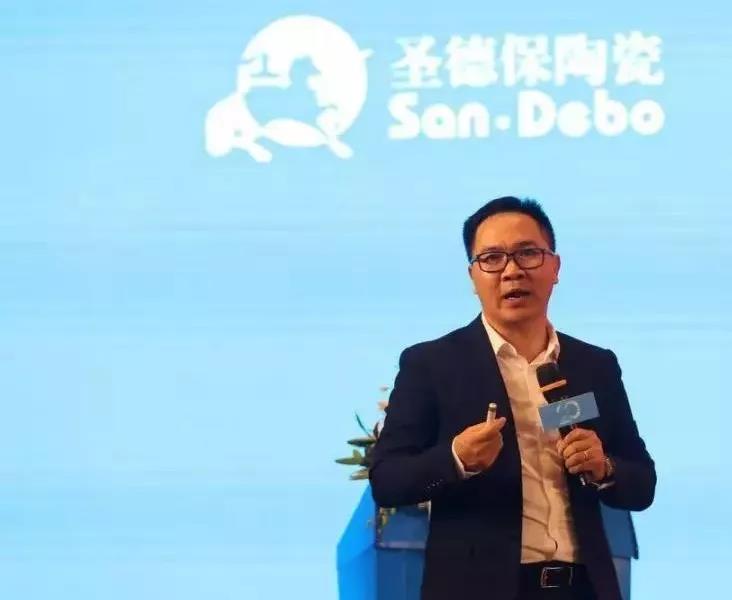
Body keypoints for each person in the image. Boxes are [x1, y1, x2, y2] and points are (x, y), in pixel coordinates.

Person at [369, 197, 655, 600]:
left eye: (528, 254)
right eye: (492, 258)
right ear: (473, 276)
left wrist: (604, 467)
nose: (512, 271)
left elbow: (642, 484)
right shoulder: (433, 365)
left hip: (584, 589)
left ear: (555, 267)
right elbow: (387, 481)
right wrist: (456, 460)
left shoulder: (594, 366)